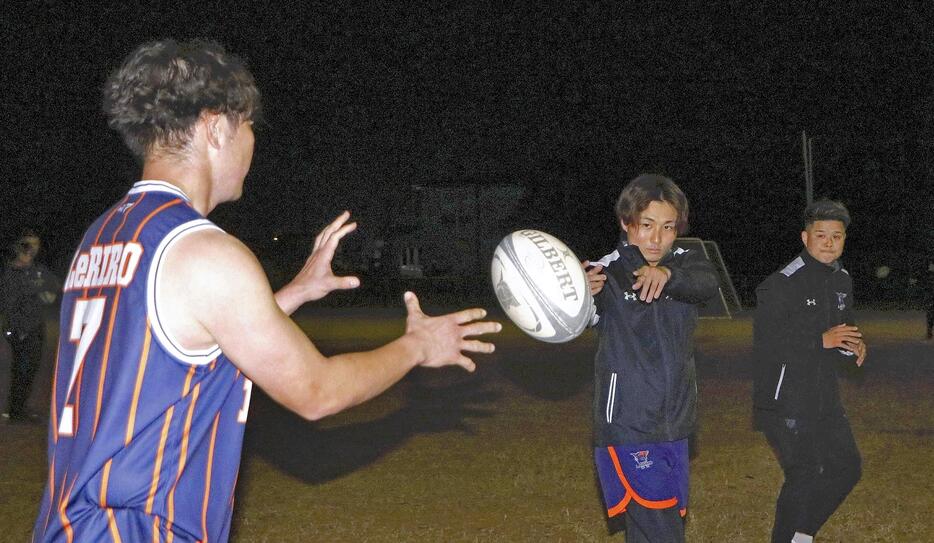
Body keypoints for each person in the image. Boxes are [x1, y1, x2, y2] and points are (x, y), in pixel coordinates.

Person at [32, 39, 500, 542]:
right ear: (215, 126)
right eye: (248, 123)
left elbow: (178, 351)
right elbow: (316, 392)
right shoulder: (205, 252)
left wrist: (293, 292)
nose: (252, 140)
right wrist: (417, 346)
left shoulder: (102, 235)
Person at [585, 174, 719, 542]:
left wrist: (668, 275)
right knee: (663, 531)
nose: (656, 238)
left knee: (652, 530)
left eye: (667, 227)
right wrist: (579, 297)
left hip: (676, 423)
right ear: (627, 224)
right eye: (646, 226)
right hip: (629, 425)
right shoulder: (605, 272)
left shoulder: (686, 263)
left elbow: (706, 282)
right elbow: (571, 321)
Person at [752, 199, 866, 543]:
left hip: (823, 396)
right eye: (821, 235)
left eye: (837, 235)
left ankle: (800, 536)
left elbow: (840, 332)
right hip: (785, 399)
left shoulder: (842, 279)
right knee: (803, 474)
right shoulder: (781, 284)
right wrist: (821, 341)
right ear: (805, 237)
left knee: (847, 467)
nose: (829, 242)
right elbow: (769, 345)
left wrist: (853, 347)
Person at [1, 230, 60, 423]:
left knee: (31, 368)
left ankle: (20, 408)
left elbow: (54, 285)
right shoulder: (12, 273)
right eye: (29, 244)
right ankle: (15, 410)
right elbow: (9, 305)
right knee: (21, 369)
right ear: (20, 247)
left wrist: (46, 292)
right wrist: (19, 328)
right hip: (20, 329)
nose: (34, 248)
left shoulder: (37, 270)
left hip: (36, 327)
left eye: (36, 244)